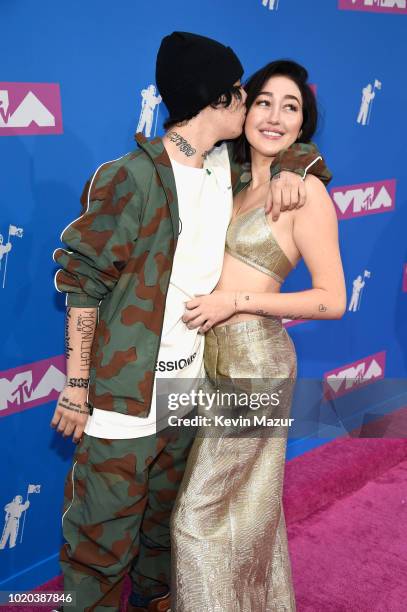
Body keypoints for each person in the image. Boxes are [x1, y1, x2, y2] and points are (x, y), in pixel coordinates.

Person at [51, 32, 331, 612]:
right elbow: (83, 285)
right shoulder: (129, 177)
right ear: (221, 100)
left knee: (165, 538)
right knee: (101, 549)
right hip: (124, 399)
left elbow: (288, 152)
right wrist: (77, 389)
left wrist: (299, 164)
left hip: (193, 391)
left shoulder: (222, 171)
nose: (255, 106)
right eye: (243, 94)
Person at [173, 60, 347, 611]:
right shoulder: (231, 179)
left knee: (194, 520)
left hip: (257, 363)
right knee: (249, 512)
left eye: (290, 107)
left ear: (304, 124)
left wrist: (237, 301)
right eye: (264, 101)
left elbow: (332, 299)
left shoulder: (305, 194)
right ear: (244, 109)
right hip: (212, 359)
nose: (274, 116)